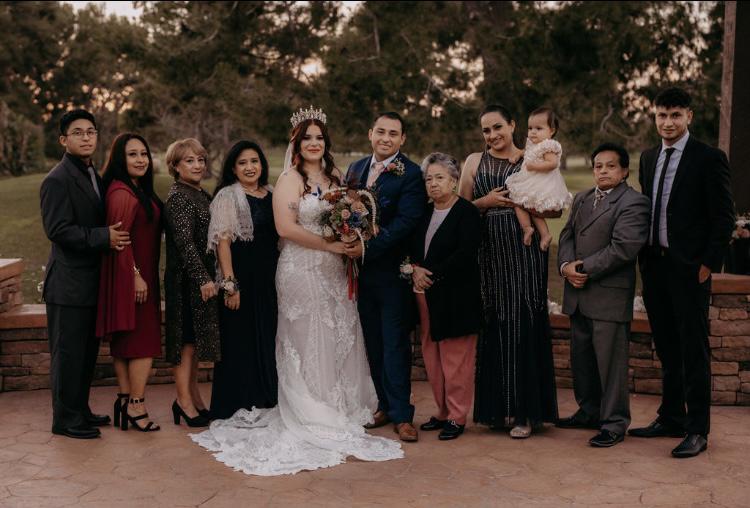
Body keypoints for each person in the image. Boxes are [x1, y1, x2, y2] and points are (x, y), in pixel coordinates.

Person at [191, 106, 403, 476]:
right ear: (297, 143)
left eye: (319, 137)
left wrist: (353, 233)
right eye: (307, 138)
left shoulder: (337, 176)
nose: (314, 143)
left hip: (334, 271)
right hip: (300, 269)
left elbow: (348, 216)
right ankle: (311, 408)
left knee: (339, 332)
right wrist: (331, 245)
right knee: (307, 337)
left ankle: (340, 404)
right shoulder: (288, 180)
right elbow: (286, 229)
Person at [629, 87, 735, 458]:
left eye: (675, 115)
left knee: (693, 350)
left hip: (690, 270)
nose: (668, 122)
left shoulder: (709, 158)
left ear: (689, 116)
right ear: (654, 116)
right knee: (667, 346)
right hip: (654, 266)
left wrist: (707, 265)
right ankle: (671, 417)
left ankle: (697, 429)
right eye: (662, 115)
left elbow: (723, 217)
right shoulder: (648, 157)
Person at [458, 104, 558, 439]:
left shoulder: (531, 158)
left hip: (524, 251)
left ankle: (526, 414)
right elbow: (458, 211)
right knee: (495, 321)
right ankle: (497, 410)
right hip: (489, 252)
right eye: (486, 130)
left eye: (498, 127)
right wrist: (483, 203)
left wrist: (529, 208)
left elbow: (553, 208)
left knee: (523, 321)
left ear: (513, 125)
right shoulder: (474, 162)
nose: (492, 135)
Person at [40, 109, 130, 439]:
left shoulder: (92, 173)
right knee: (68, 356)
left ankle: (80, 410)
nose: (86, 137)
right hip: (68, 285)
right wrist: (103, 237)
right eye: (77, 133)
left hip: (91, 283)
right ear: (63, 140)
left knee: (85, 354)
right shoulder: (56, 180)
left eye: (91, 131)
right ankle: (65, 420)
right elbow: (58, 230)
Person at [556, 143, 650, 447]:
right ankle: (589, 412)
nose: (603, 171)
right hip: (578, 293)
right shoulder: (582, 198)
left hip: (608, 296)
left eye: (610, 166)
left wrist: (582, 267)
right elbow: (567, 235)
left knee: (610, 366)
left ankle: (614, 423)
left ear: (623, 171)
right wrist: (565, 266)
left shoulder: (634, 202)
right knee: (582, 361)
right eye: (598, 166)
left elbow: (624, 248)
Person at [344, 112, 427, 442]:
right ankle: (383, 405)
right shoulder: (355, 169)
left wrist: (365, 247)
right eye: (381, 131)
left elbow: (407, 222)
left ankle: (403, 415)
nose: (386, 138)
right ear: (370, 133)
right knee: (373, 343)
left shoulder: (412, 173)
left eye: (393, 133)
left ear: (402, 139)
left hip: (392, 273)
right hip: (360, 275)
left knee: (395, 345)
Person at [407, 153, 482, 441]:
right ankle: (441, 411)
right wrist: (415, 270)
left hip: (455, 297)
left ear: (453, 180)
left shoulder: (466, 212)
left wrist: (431, 274)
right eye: (429, 179)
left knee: (456, 359)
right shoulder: (423, 213)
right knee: (432, 357)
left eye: (440, 178)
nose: (433, 184)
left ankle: (457, 415)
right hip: (424, 295)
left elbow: (466, 253)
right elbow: (412, 249)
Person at [207, 140, 279, 419]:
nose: (250, 167)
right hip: (241, 278)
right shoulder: (227, 196)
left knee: (266, 337)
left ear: (262, 164)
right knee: (240, 341)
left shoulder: (272, 193)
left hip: (269, 279)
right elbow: (222, 243)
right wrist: (230, 284)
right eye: (242, 163)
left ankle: (265, 398)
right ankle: (237, 402)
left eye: (254, 161)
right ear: (233, 168)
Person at [95, 133, 163, 432]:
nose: (140, 160)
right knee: (143, 343)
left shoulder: (134, 188)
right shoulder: (122, 193)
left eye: (144, 154)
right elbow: (119, 241)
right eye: (133, 154)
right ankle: (136, 405)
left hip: (137, 275)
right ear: (120, 159)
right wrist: (135, 276)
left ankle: (124, 401)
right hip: (134, 278)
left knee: (127, 340)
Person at [163, 138, 220, 428]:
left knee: (195, 343)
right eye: (189, 160)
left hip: (200, 280)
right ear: (175, 166)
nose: (197, 165)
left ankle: (194, 398)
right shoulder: (179, 197)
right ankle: (183, 401)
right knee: (185, 343)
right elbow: (185, 244)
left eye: (200, 160)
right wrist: (203, 278)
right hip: (185, 281)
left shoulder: (198, 192)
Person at [505, 107, 572, 251]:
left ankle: (545, 234)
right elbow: (526, 152)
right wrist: (518, 155)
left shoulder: (548, 146)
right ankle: (528, 228)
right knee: (519, 203)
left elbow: (553, 163)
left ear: (551, 131)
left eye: (538, 128)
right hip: (530, 182)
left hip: (542, 183)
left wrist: (534, 166)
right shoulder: (533, 144)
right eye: (530, 128)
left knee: (532, 207)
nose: (533, 132)